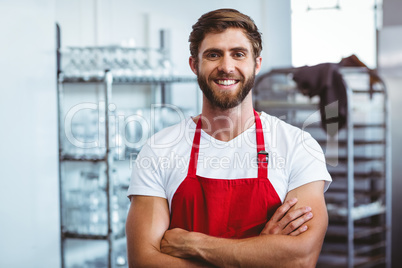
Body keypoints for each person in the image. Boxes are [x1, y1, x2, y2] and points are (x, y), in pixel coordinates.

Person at [126, 8, 332, 267]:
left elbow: (300, 259)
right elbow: (143, 262)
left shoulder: (299, 147)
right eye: (213, 55)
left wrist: (193, 244)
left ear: (256, 64)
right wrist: (261, 255)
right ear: (194, 65)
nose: (226, 66)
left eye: (238, 54)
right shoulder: (159, 150)